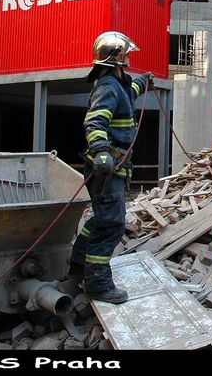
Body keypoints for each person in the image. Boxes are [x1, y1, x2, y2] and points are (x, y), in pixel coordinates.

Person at [68, 31, 155, 304]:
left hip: (114, 168)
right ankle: (98, 284)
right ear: (117, 58)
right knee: (111, 225)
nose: (128, 57)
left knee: (100, 219)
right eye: (125, 54)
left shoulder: (118, 85)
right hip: (107, 168)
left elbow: (128, 94)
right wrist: (102, 152)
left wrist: (143, 82)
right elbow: (95, 122)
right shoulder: (107, 86)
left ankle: (78, 267)